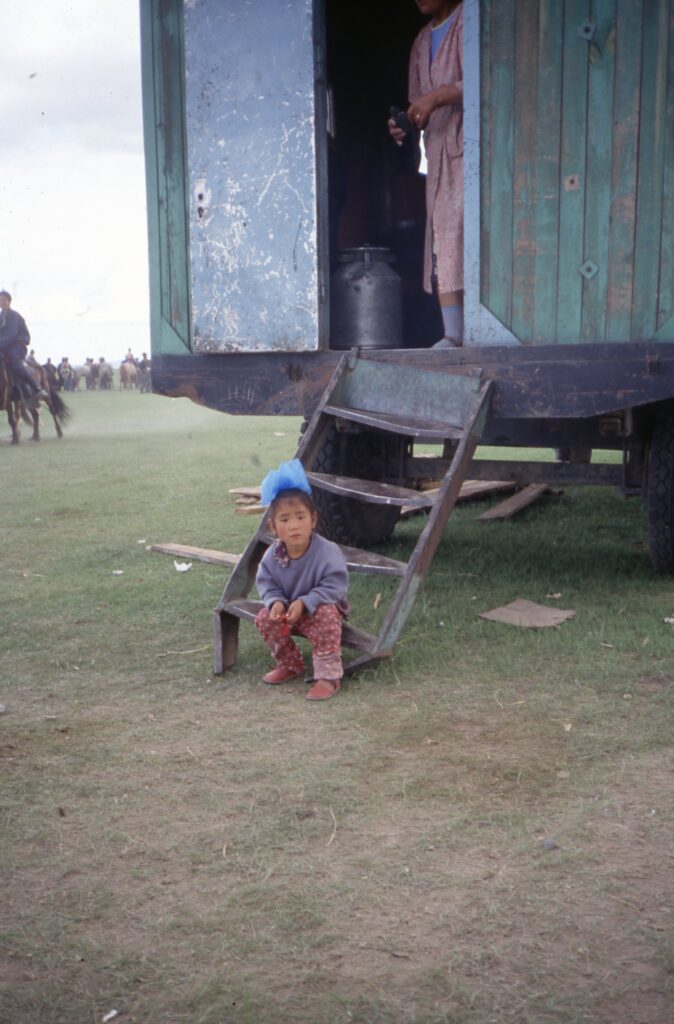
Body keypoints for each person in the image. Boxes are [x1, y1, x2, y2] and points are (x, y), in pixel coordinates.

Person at [388, 0, 464, 347]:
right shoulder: (421, 41)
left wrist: (441, 95)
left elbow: (490, 79)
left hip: (471, 146)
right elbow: (418, 104)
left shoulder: (470, 21)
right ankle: (454, 334)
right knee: (442, 235)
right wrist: (404, 124)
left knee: (467, 233)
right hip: (438, 150)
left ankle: (477, 329)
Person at [255, 459, 349, 701]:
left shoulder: (327, 552)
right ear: (273, 527)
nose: (294, 526)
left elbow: (335, 586)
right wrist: (275, 602)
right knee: (265, 617)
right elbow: (267, 583)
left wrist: (306, 602)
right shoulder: (272, 555)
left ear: (313, 520)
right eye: (284, 520)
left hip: (319, 611)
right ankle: (290, 664)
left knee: (327, 614)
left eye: (300, 517)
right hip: (288, 614)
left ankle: (328, 676)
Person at [0, 290, 48, 405]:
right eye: (0, 300)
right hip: (4, 346)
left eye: (4, 300)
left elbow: (11, 335)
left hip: (17, 345)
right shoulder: (1, 316)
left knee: (16, 364)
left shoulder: (14, 315)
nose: (2, 302)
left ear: (9, 301)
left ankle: (37, 388)